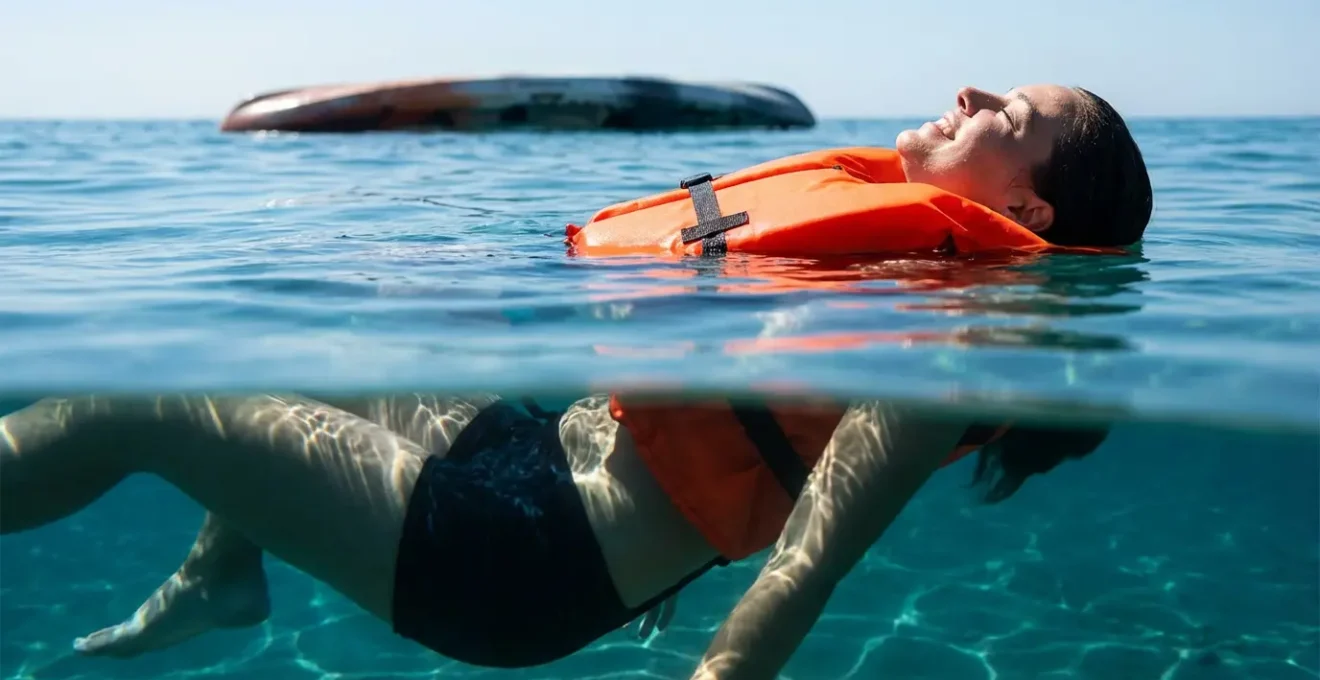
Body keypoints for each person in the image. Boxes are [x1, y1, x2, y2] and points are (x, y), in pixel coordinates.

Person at [0, 83, 1152, 680]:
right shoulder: (882, 265)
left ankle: (216, 566)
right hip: (530, 459)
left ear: (1029, 211)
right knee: (318, 343)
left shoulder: (944, 346)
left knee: (134, 406)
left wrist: (720, 670)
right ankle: (220, 577)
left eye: (1006, 112)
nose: (967, 96)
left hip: (523, 559)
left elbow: (814, 557)